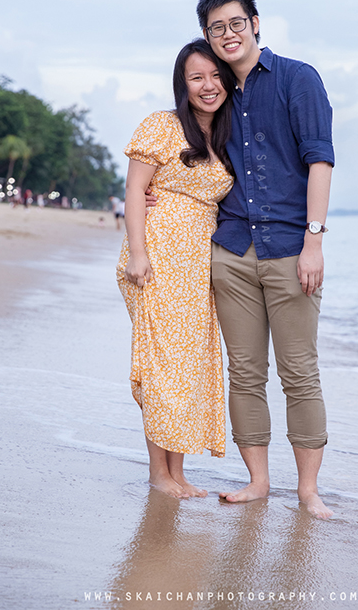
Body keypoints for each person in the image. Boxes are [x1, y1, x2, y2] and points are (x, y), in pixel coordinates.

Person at [196, 0, 335, 518]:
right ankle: (257, 481)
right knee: (245, 371)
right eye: (216, 27)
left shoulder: (299, 80)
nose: (227, 34)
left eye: (235, 23)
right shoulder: (214, 92)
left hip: (289, 248)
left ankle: (307, 490)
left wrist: (314, 242)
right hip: (230, 250)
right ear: (207, 35)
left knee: (299, 371)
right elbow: (191, 152)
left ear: (255, 23)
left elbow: (319, 160)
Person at [116, 39, 234, 499]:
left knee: (187, 365)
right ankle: (157, 473)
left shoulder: (225, 138)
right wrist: (139, 254)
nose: (208, 86)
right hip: (156, 257)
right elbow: (134, 191)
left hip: (198, 264)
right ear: (182, 84)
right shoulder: (161, 126)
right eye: (196, 77)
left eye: (214, 75)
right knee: (162, 362)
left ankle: (178, 472)